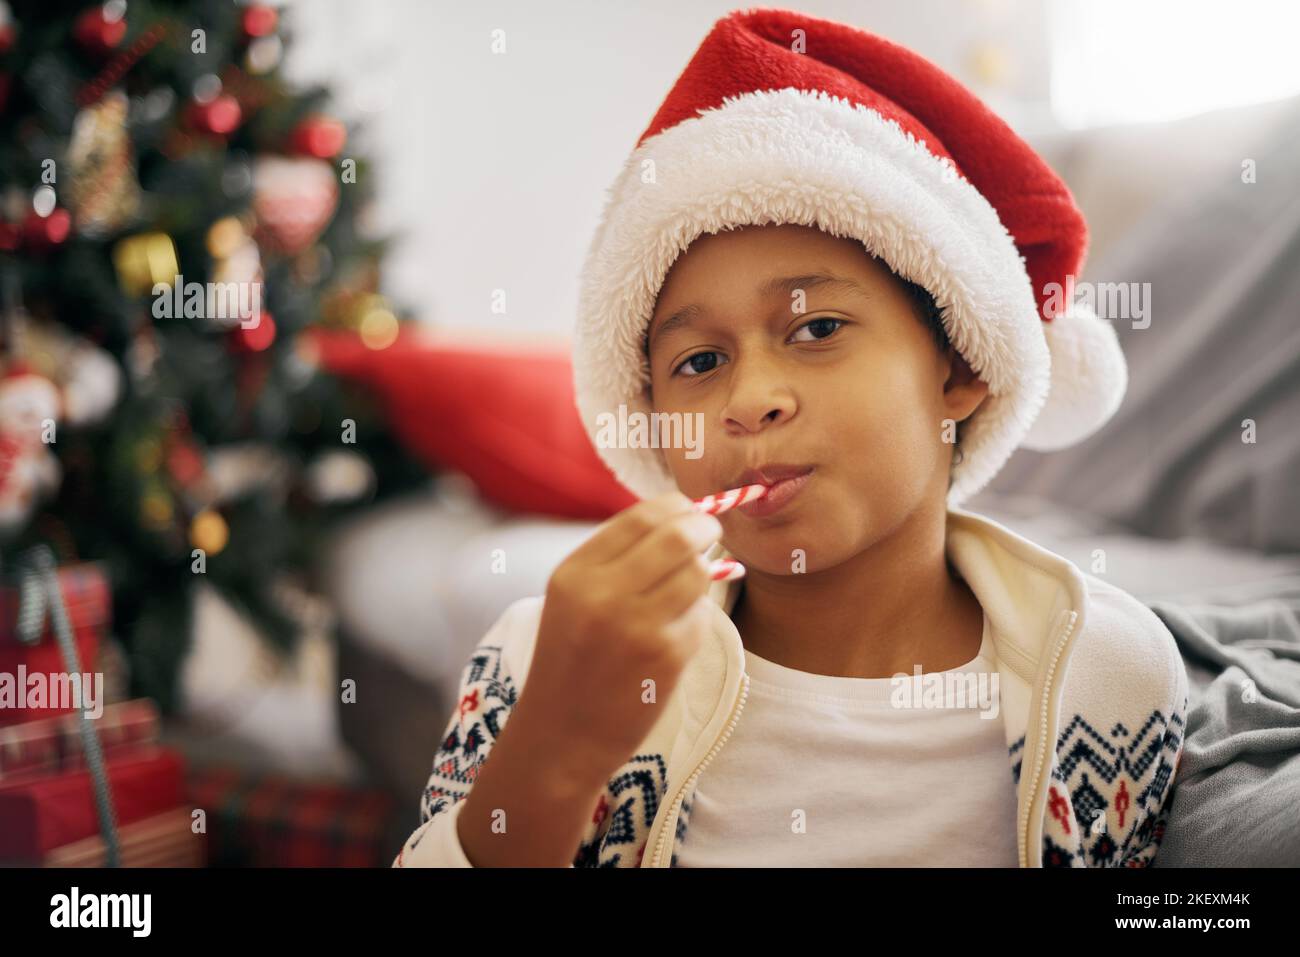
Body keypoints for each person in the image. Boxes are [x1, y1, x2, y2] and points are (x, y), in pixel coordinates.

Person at [393, 7, 1188, 868]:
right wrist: (553, 751)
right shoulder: (539, 656)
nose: (752, 399)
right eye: (699, 361)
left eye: (816, 331)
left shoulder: (1111, 674)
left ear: (959, 367)